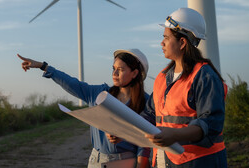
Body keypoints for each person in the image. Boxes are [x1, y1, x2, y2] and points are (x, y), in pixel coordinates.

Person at [18, 49, 153, 168]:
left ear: (135, 73)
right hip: (96, 160)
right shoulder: (100, 93)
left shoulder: (146, 102)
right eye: (113, 68)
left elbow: (145, 142)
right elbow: (72, 83)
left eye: (121, 69)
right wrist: (44, 66)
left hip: (126, 162)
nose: (115, 73)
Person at [144, 8, 227, 167]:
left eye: (166, 38)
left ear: (182, 43)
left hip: (199, 162)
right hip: (164, 159)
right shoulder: (162, 78)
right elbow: (149, 114)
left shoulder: (204, 76)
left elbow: (210, 123)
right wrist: (122, 131)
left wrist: (175, 135)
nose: (162, 42)